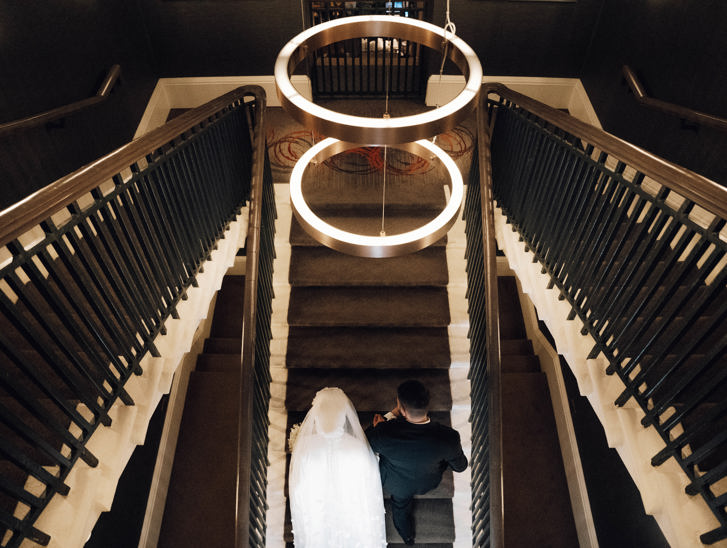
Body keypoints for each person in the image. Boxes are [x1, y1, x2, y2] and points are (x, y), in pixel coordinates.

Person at [366, 379, 468, 545]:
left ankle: (408, 537)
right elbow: (460, 467)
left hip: (397, 484)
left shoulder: (385, 433)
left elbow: (363, 444)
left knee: (400, 506)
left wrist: (386, 420)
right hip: (428, 482)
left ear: (403, 410)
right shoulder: (449, 437)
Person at [288, 387, 386, 547]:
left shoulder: (306, 447)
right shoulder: (357, 447)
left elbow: (298, 486)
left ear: (317, 417)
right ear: (344, 416)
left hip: (317, 507)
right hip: (351, 506)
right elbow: (369, 481)